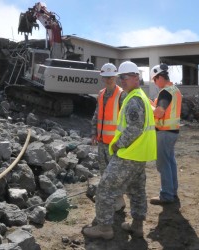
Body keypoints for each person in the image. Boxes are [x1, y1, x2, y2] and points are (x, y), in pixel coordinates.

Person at [82, 61, 157, 239]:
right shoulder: (140, 96)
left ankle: (104, 228)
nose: (122, 80)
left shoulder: (132, 99)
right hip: (138, 154)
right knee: (137, 190)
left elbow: (134, 128)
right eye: (121, 77)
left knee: (105, 188)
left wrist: (117, 144)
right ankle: (137, 226)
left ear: (136, 77)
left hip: (128, 154)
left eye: (125, 77)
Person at [90, 63, 127, 212]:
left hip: (115, 143)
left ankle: (119, 200)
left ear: (115, 77)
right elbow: (97, 115)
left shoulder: (121, 95)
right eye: (105, 77)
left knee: (116, 174)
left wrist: (122, 141)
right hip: (102, 141)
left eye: (110, 77)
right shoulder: (101, 93)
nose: (108, 79)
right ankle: (107, 198)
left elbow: (125, 120)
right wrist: (94, 132)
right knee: (104, 172)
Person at [149, 64, 183, 205]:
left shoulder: (165, 92)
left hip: (164, 132)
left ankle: (167, 195)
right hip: (173, 131)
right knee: (170, 162)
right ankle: (172, 191)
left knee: (163, 164)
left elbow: (159, 112)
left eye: (155, 80)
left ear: (160, 77)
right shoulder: (175, 90)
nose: (155, 84)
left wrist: (148, 107)